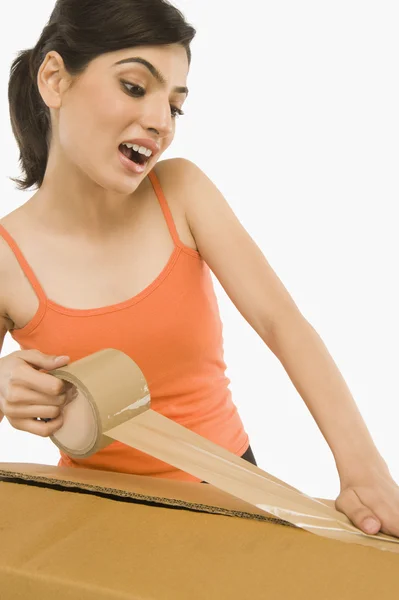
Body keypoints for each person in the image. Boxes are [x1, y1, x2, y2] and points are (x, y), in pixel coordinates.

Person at [0, 0, 398, 537]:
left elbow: (282, 322)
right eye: (136, 88)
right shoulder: (6, 255)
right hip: (94, 518)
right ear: (54, 78)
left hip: (231, 493)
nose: (160, 123)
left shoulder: (180, 192)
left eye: (176, 106)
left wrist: (364, 470)